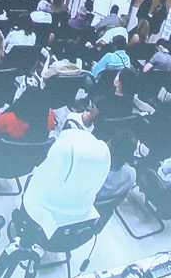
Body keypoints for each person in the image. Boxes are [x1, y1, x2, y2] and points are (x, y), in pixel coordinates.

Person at [18, 101, 109, 242]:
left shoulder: (64, 151)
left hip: (46, 217)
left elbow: (42, 183)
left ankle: (24, 225)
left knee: (31, 179)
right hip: (72, 229)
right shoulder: (99, 160)